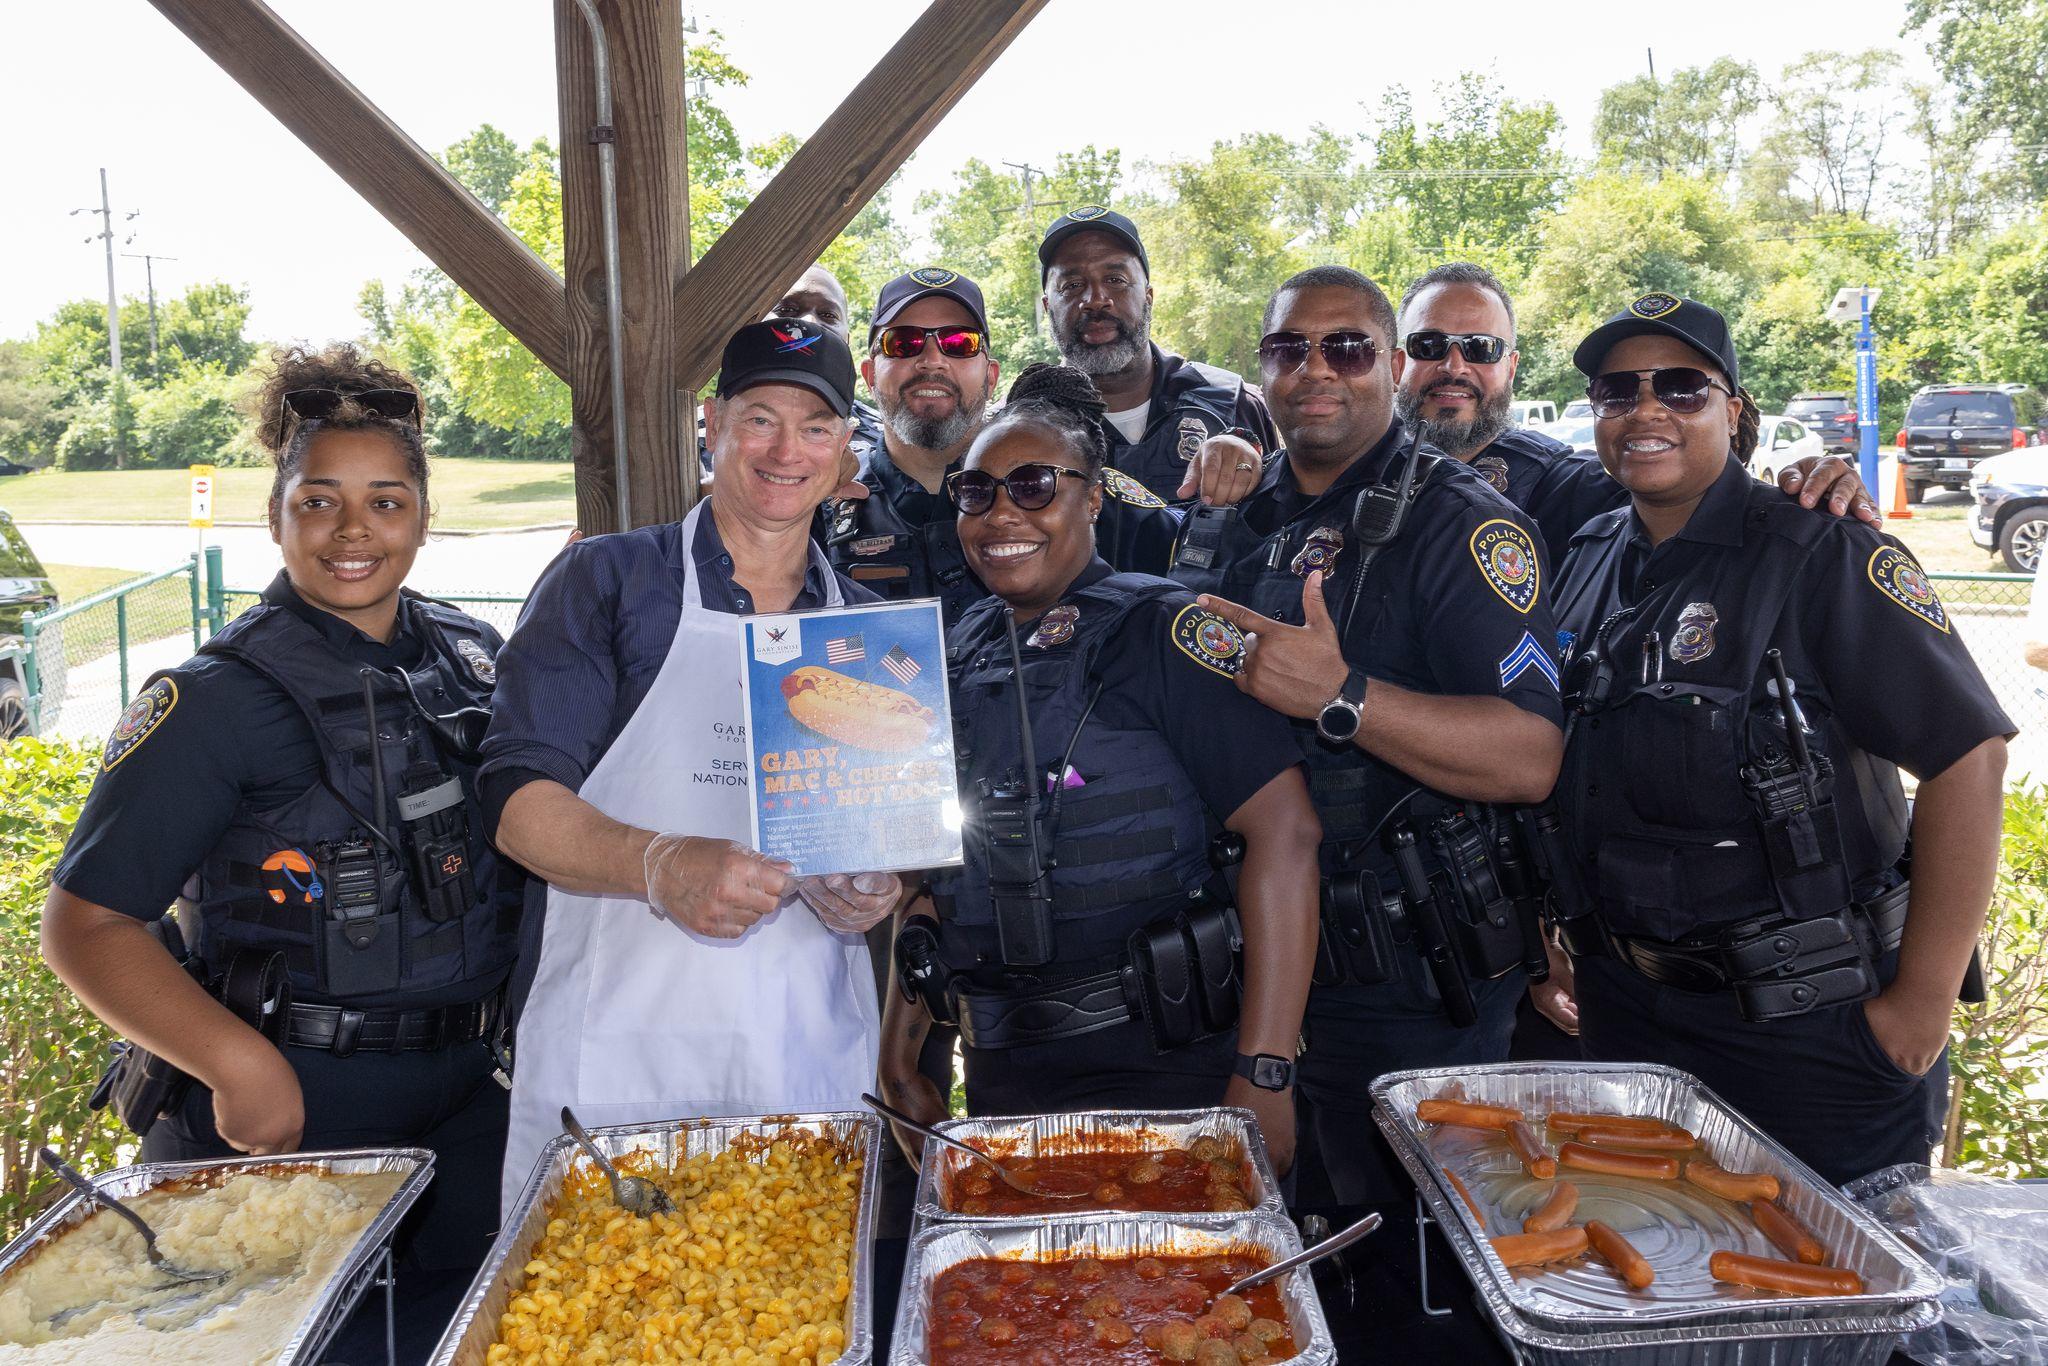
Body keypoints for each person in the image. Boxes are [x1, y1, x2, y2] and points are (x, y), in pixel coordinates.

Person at [41, 344, 524, 1348]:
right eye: (318, 502)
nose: (354, 530)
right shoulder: (217, 700)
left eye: (386, 501)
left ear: (425, 517)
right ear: (275, 517)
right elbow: (86, 922)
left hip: (470, 1099)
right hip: (294, 1108)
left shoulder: (474, 659)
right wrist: (237, 1067)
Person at [1548, 293, 2011, 1185]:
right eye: (1617, 391)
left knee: (1828, 1312)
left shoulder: (1822, 553)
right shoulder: (1590, 554)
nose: (1645, 410)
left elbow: (1969, 757)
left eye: (1682, 388)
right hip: (1630, 1022)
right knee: (1659, 1296)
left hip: (1812, 1036)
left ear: (1736, 410)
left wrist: (1918, 1011)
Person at [481, 318, 901, 1213]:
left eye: (817, 427)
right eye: (760, 418)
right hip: (620, 1052)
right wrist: (658, 863)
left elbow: (881, 833)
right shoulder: (608, 581)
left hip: (801, 1051)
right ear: (711, 427)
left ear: (843, 454)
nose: (786, 449)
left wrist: (871, 883)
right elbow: (518, 803)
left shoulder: (865, 629)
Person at [1176, 266, 1565, 1205]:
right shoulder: (1233, 519)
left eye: (1346, 348)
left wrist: (1344, 696)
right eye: (1288, 349)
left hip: (1412, 988)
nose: (1316, 370)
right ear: (1259, 372)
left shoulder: (1459, 525)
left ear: (1391, 367)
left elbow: (1531, 757)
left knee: (1412, 1285)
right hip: (1244, 971)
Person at [876, 365, 1321, 1173]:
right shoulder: (949, 653)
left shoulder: (1167, 631)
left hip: (1168, 1065)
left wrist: (1265, 1073)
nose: (1002, 511)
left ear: (1093, 498)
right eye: (977, 493)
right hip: (1009, 1077)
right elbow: (930, 885)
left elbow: (1284, 836)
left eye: (1034, 486)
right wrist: (899, 1059)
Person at [821, 267, 1181, 621]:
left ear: (991, 377)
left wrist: (1235, 456)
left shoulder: (1076, 489)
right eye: (902, 343)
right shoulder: (819, 504)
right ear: (869, 375)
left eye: (959, 343)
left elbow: (1207, 571)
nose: (932, 361)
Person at [1038, 206, 1278, 501]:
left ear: (1148, 297)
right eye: (1072, 285)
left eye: (1116, 280)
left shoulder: (1232, 403)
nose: (1096, 300)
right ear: (1049, 307)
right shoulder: (1020, 424)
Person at [697, 262, 886, 481]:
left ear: (847, 339)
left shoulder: (883, 439)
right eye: (787, 309)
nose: (808, 322)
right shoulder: (689, 434)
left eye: (828, 314)